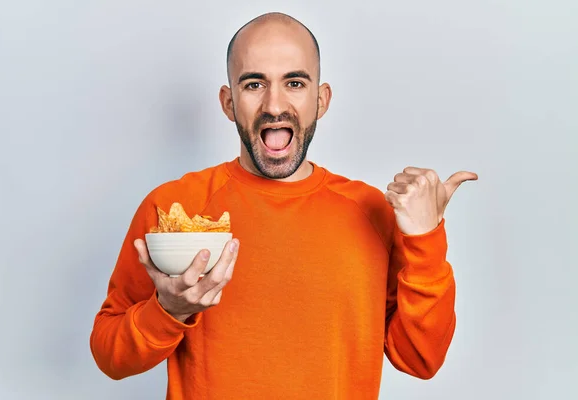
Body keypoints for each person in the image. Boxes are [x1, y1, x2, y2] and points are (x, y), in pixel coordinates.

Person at [89, 11, 478, 400]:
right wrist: (169, 310)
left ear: (321, 100)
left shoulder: (370, 212)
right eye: (254, 83)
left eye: (294, 82)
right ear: (228, 103)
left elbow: (421, 360)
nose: (275, 105)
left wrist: (425, 240)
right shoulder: (175, 208)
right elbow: (110, 357)